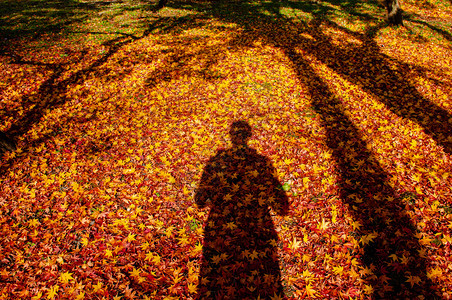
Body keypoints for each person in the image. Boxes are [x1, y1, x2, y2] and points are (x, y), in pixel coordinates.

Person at [195, 120, 289, 299]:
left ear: (231, 136)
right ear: (249, 136)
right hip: (256, 236)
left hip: (221, 237)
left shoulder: (215, 163)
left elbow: (199, 200)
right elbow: (282, 206)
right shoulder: (262, 164)